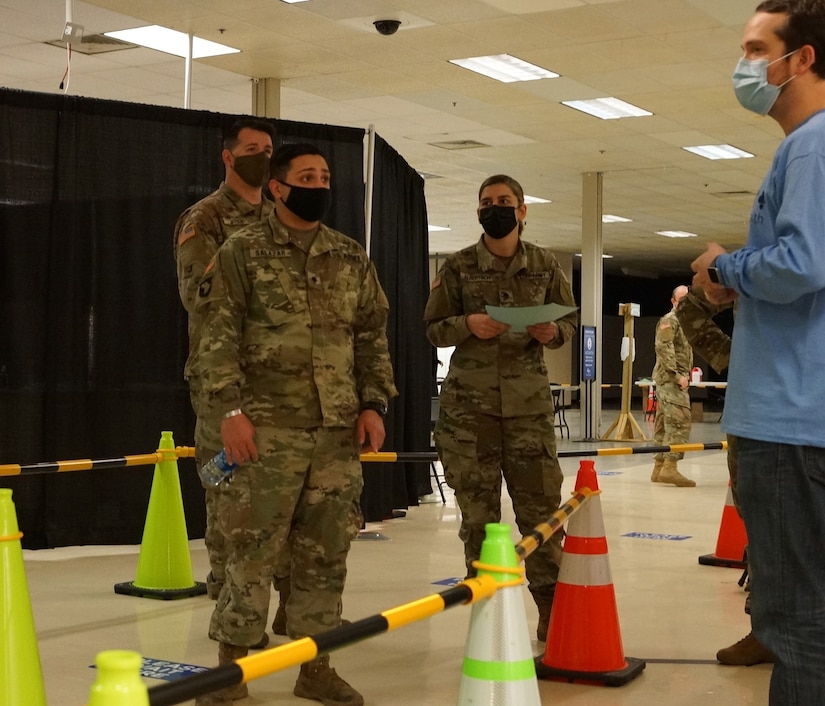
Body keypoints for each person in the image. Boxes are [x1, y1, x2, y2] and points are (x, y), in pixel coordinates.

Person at [194, 142, 397, 706]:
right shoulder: (242, 251)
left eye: (325, 175)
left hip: (334, 435)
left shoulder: (350, 256)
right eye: (306, 175)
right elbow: (216, 339)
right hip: (264, 432)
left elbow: (371, 336)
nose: (319, 184)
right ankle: (229, 674)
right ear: (278, 187)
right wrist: (230, 414)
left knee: (325, 554)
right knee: (251, 553)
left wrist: (373, 403)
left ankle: (316, 666)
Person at [692, 2, 825, 701]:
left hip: (791, 425)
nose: (743, 65)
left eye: (753, 48)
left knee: (795, 623)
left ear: (799, 58)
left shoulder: (810, 144)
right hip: (807, 416)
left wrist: (726, 267)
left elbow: (802, 264)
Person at [423, 174, 577, 643]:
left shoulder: (546, 264)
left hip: (529, 409)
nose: (496, 208)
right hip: (470, 414)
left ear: (522, 210)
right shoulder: (458, 266)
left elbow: (568, 319)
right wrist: (467, 323)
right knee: (478, 517)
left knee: (541, 515)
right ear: (478, 212)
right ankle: (485, 608)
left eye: (505, 201)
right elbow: (433, 327)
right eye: (487, 202)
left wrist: (555, 334)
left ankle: (550, 608)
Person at [173, 118, 276, 626]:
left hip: (280, 378)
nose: (262, 156)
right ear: (228, 158)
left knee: (279, 489)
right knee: (229, 490)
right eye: (252, 148)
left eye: (268, 149)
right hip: (223, 377)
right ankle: (228, 606)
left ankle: (278, 606)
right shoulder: (206, 218)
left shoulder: (282, 216)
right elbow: (198, 295)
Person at [676, 287, 775, 667]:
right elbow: (689, 308)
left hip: (809, 408)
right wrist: (731, 358)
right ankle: (766, 633)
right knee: (760, 521)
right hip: (753, 413)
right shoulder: (747, 270)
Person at [649, 285, 696, 487]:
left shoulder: (685, 322)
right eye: (682, 298)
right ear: (673, 301)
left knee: (663, 424)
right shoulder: (670, 320)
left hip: (672, 379)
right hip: (671, 380)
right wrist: (677, 376)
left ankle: (659, 467)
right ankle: (671, 467)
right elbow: (663, 347)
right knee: (680, 421)